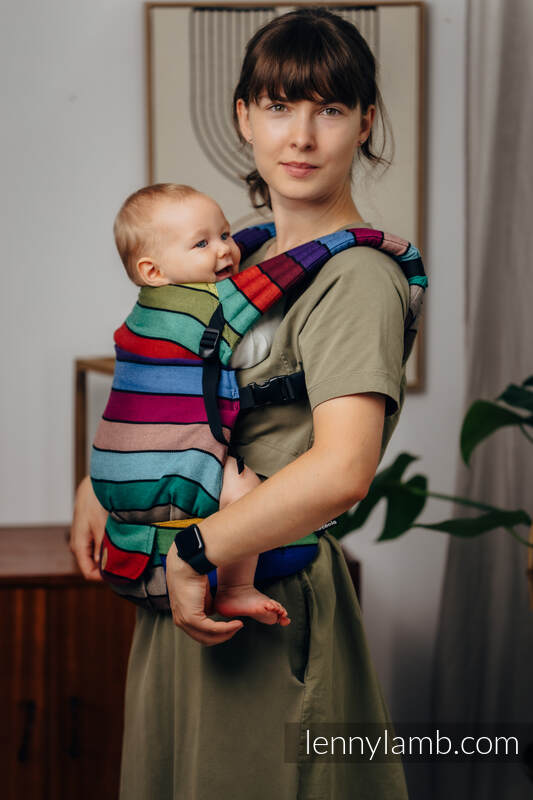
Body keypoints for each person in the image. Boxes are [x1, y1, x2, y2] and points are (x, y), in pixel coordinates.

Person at [71, 7, 421, 798]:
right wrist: (104, 481)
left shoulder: (356, 277)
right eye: (277, 106)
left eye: (330, 108)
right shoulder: (243, 257)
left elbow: (339, 472)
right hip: (184, 582)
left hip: (261, 593)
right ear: (243, 116)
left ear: (365, 121)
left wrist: (198, 550)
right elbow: (175, 398)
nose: (300, 136)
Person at [91, 182, 290, 625]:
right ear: (154, 271)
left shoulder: (144, 313)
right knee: (245, 492)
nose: (224, 251)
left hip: (113, 464)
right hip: (165, 458)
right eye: (202, 243)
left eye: (224, 235)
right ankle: (238, 587)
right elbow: (251, 351)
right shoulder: (205, 308)